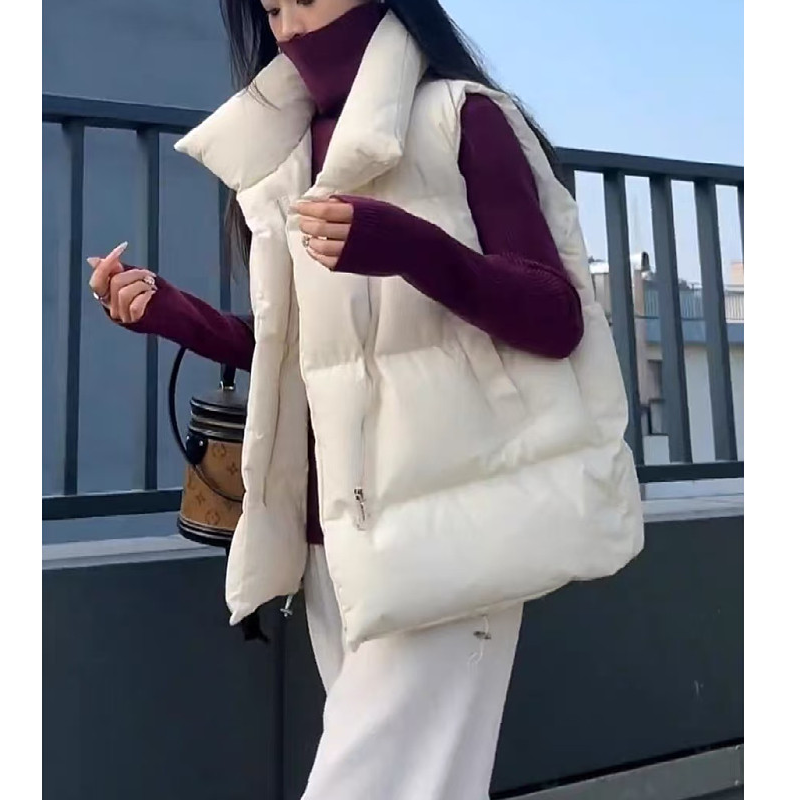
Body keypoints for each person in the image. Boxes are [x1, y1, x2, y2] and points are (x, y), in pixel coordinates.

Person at [88, 2, 642, 797]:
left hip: (451, 532)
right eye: (271, 8)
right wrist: (170, 314)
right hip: (333, 541)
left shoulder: (462, 116)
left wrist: (409, 245)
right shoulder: (284, 151)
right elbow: (307, 355)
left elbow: (556, 319)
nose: (287, 26)